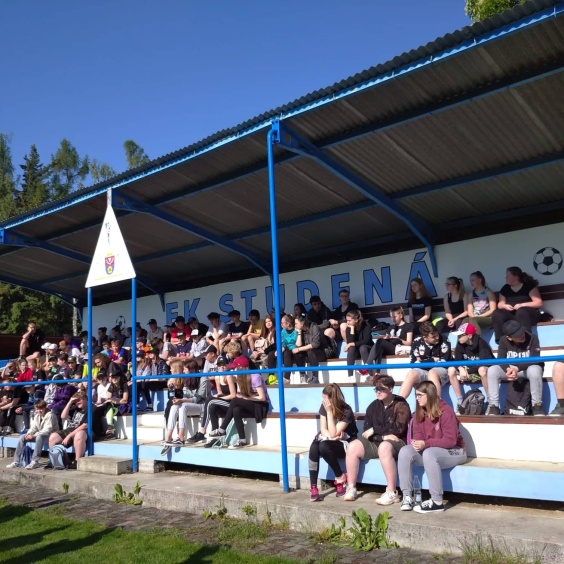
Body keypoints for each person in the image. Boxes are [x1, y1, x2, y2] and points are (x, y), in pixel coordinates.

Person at [398, 381, 467, 513]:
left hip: (456, 451)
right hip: (431, 451)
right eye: (416, 395)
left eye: (420, 395)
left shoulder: (446, 411)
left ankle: (437, 501)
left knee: (429, 453)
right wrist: (417, 443)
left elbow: (451, 441)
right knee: (405, 451)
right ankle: (407, 496)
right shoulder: (419, 413)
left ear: (429, 395)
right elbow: (419, 436)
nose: (417, 398)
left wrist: (426, 443)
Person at [344, 375, 411, 504]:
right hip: (377, 441)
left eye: (382, 389)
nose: (378, 392)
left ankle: (392, 492)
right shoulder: (373, 406)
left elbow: (398, 429)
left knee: (384, 447)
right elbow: (366, 432)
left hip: (398, 443)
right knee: (352, 446)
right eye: (376, 389)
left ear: (391, 389)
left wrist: (375, 430)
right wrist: (382, 436)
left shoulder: (401, 404)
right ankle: (351, 487)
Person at [309, 383, 357, 501]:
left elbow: (334, 432)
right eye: (323, 397)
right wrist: (331, 437)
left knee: (324, 446)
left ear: (333, 398)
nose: (323, 401)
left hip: (346, 443)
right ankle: (313, 486)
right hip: (331, 439)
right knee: (314, 446)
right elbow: (324, 429)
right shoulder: (324, 406)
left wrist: (330, 412)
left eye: (325, 398)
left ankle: (340, 478)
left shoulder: (346, 411)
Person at [208, 355, 269, 448]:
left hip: (261, 406)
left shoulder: (255, 377)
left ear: (241, 368)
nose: (234, 370)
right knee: (236, 410)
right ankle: (242, 439)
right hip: (252, 403)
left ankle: (222, 429)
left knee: (235, 400)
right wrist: (242, 396)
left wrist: (245, 398)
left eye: (236, 368)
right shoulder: (241, 377)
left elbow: (262, 398)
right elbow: (243, 394)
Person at [486, 320, 544, 416]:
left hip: (527, 368)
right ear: (509, 337)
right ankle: (494, 406)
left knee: (535, 370)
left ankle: (537, 406)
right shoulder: (503, 340)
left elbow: (535, 359)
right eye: (518, 335)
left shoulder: (533, 338)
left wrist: (517, 368)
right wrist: (508, 369)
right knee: (492, 370)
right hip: (511, 369)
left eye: (522, 331)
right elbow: (500, 359)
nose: (522, 335)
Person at [187, 354, 237, 445]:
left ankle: (202, 431)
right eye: (219, 365)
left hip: (232, 403)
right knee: (212, 406)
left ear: (227, 365)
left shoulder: (229, 376)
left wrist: (217, 398)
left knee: (210, 400)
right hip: (223, 402)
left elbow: (233, 395)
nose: (221, 367)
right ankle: (216, 438)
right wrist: (217, 397)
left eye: (224, 365)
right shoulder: (217, 376)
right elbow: (220, 392)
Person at [161, 359, 210, 452]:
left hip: (203, 405)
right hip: (190, 404)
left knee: (183, 406)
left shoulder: (203, 378)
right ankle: (168, 436)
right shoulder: (186, 378)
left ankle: (181, 437)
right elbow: (185, 395)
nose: (183, 371)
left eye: (185, 369)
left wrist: (182, 400)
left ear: (191, 370)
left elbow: (197, 399)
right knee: (174, 406)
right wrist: (178, 400)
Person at [399, 321, 451, 399]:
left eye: (437, 334)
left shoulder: (444, 340)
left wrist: (421, 362)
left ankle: (436, 403)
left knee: (432, 373)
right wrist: (432, 360)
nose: (437, 338)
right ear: (425, 337)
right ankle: (398, 402)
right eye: (433, 337)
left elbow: (444, 362)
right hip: (424, 371)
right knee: (412, 373)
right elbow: (413, 364)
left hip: (441, 371)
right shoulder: (416, 342)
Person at [447, 323, 494, 410]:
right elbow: (457, 360)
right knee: (451, 370)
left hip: (481, 368)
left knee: (482, 370)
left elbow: (485, 362)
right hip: (467, 369)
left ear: (469, 336)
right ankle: (460, 400)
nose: (458, 338)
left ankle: (490, 401)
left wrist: (467, 371)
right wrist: (461, 368)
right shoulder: (460, 343)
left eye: (460, 336)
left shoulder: (482, 343)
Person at [491, 266, 542, 344]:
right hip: (512, 314)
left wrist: (522, 305)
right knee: (497, 313)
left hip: (527, 314)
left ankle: (526, 339)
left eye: (508, 275)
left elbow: (538, 302)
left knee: (521, 312)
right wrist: (505, 306)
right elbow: (500, 304)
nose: (506, 277)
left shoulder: (528, 286)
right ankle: (501, 341)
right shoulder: (505, 288)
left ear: (516, 277)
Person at [6, 400, 59, 469]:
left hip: (51, 436)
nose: (39, 411)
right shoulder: (37, 415)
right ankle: (16, 461)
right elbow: (33, 427)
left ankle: (35, 461)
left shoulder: (50, 415)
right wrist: (28, 434)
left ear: (45, 408)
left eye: (41, 409)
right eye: (37, 409)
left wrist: (34, 435)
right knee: (22, 437)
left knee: (39, 436)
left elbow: (47, 429)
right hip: (40, 435)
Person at [366, 306, 413, 374]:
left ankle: (367, 366)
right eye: (391, 317)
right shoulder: (391, 327)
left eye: (394, 316)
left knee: (380, 342)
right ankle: (376, 373)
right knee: (379, 349)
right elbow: (386, 338)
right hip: (390, 346)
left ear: (401, 315)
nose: (393, 319)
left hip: (399, 347)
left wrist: (399, 340)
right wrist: (387, 338)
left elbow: (409, 343)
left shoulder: (408, 326)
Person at [48, 391, 89, 466]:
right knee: (53, 436)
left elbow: (85, 426)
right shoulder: (75, 409)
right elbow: (63, 416)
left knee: (79, 434)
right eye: (75, 401)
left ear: (85, 399)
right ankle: (53, 460)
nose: (77, 402)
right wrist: (70, 402)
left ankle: (77, 462)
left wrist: (69, 436)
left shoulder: (92, 408)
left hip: (84, 431)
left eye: (79, 399)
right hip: (70, 430)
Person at [292, 313, 327, 384]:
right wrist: (299, 333)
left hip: (322, 351)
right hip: (308, 352)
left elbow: (315, 344)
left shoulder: (314, 327)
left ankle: (315, 377)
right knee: (297, 353)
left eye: (296, 323)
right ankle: (303, 375)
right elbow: (298, 346)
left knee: (311, 351)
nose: (295, 325)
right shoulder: (300, 330)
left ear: (302, 323)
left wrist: (299, 349)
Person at [462, 271, 497, 335]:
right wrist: (473, 316)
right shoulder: (470, 294)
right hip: (474, 317)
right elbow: (469, 311)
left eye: (473, 280)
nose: (471, 282)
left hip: (487, 318)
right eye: (470, 280)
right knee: (465, 321)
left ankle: (478, 340)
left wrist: (478, 317)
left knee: (473, 320)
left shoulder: (488, 292)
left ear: (480, 280)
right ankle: (462, 340)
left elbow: (492, 310)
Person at [343, 310, 373, 377]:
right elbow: (350, 342)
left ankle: (370, 374)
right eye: (347, 320)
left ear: (356, 320)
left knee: (363, 348)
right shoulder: (349, 328)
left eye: (349, 320)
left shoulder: (366, 326)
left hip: (367, 348)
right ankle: (350, 376)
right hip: (356, 350)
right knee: (351, 349)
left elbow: (366, 341)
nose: (347, 322)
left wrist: (352, 344)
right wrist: (352, 330)